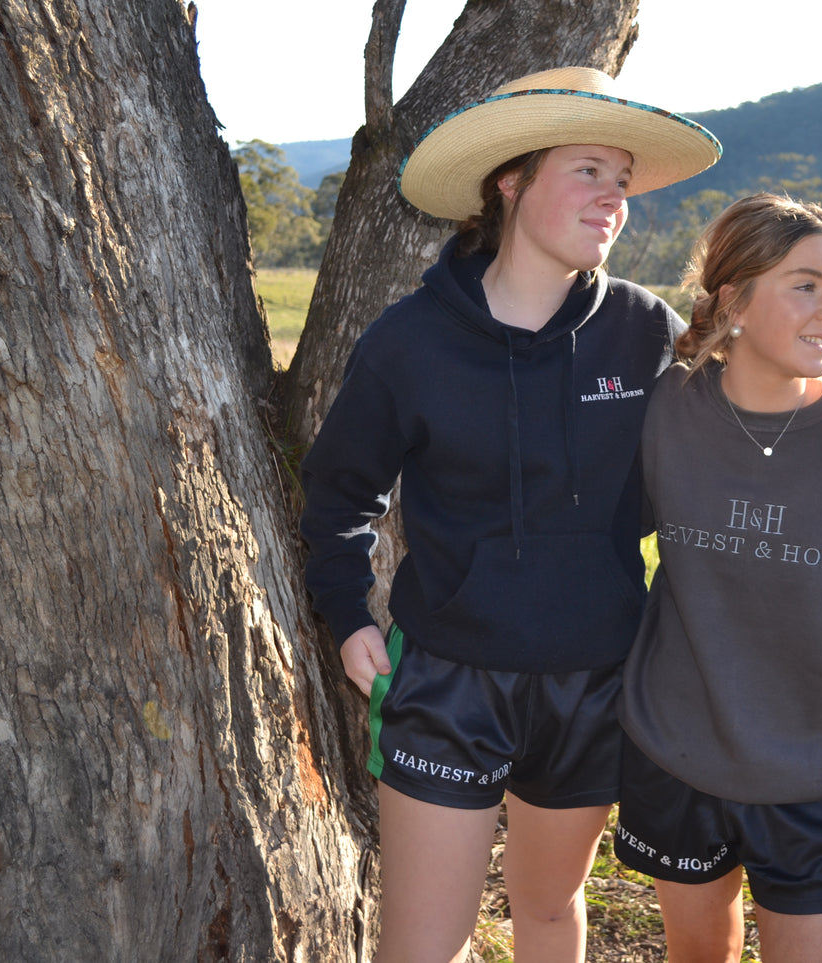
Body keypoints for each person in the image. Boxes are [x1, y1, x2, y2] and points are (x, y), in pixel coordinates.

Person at [299, 67, 723, 963]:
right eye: (587, 171)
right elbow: (338, 492)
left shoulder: (644, 333)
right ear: (511, 181)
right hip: (448, 681)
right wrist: (346, 617)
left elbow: (739, 425)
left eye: (622, 180)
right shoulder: (408, 340)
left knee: (546, 909)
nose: (612, 197)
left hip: (594, 679)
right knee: (422, 944)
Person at [614, 193, 822, 963]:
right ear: (732, 299)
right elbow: (591, 528)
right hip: (675, 756)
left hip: (820, 771)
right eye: (805, 284)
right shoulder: (665, 410)